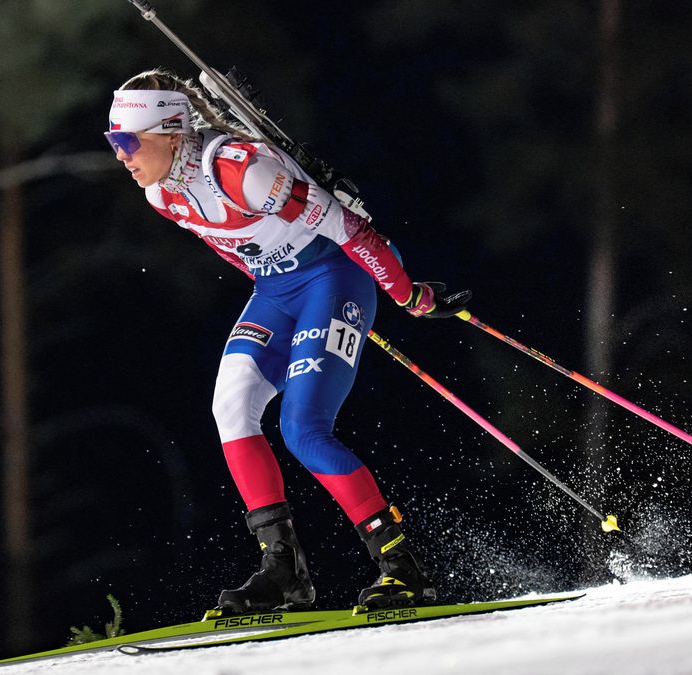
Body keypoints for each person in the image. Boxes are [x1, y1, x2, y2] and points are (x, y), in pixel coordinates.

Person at [105, 68, 471, 613]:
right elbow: (234, 248)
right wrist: (277, 293)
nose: (120, 155)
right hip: (278, 292)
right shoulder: (163, 192)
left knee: (301, 429)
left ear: (170, 131)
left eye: (127, 141)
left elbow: (350, 229)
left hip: (334, 276)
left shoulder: (243, 172)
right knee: (231, 407)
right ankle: (284, 571)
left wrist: (406, 295)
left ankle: (402, 569)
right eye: (114, 142)